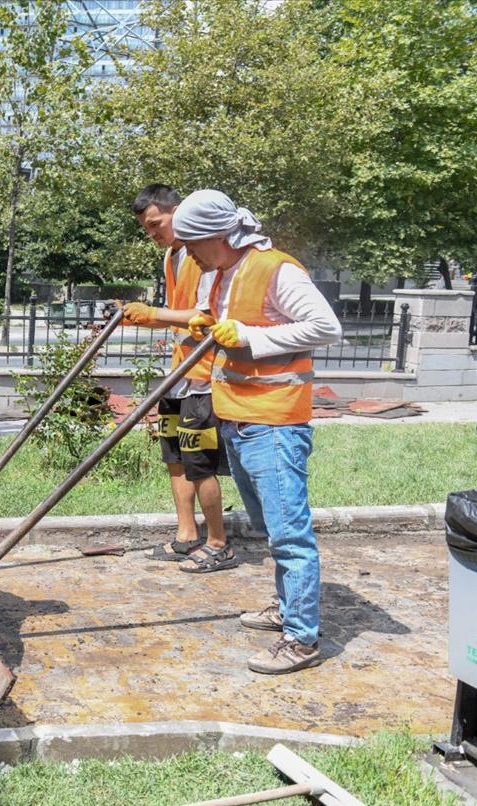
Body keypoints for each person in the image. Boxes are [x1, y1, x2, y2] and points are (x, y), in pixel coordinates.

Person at [171, 189, 342, 675]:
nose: (189, 255)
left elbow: (327, 327)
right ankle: (287, 610)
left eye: (194, 244)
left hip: (275, 421)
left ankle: (303, 638)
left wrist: (251, 337)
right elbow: (214, 328)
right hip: (238, 416)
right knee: (270, 529)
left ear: (220, 235)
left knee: (290, 535)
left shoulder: (277, 270)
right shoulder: (220, 275)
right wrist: (203, 325)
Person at [121, 184, 237, 574]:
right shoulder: (172, 256)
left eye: (157, 223)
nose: (153, 233)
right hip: (179, 373)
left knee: (199, 459)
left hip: (202, 376)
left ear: (179, 213)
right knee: (174, 456)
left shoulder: (201, 255)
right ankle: (187, 534)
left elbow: (206, 315)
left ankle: (218, 542)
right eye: (146, 228)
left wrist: (152, 314)